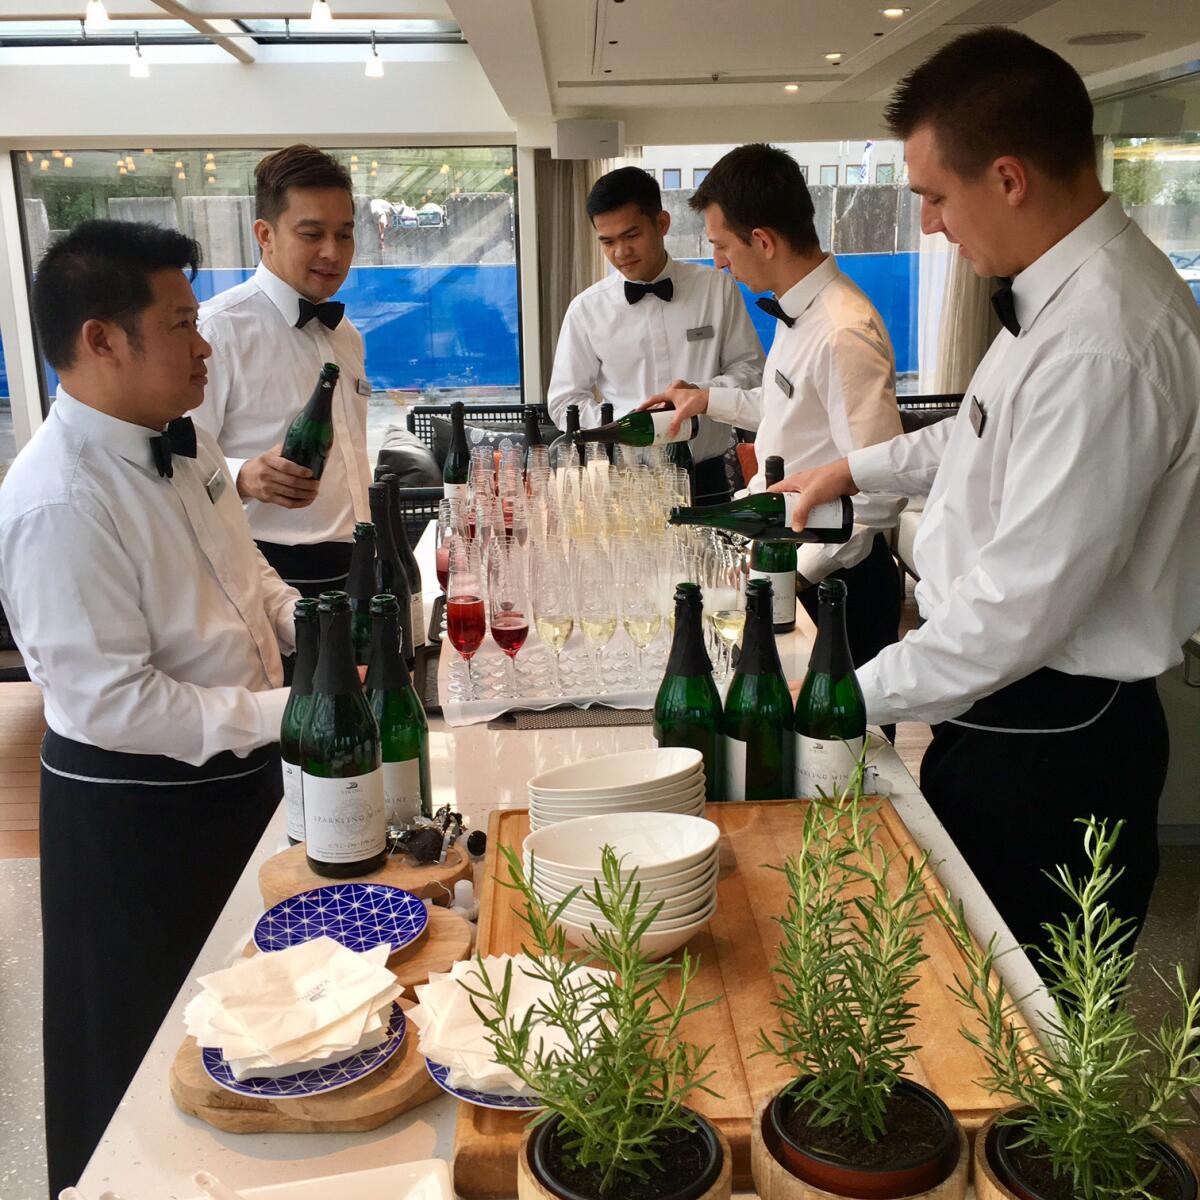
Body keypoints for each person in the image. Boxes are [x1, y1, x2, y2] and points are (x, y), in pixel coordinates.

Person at [771, 27, 1200, 962]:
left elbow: (1021, 607)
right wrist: (854, 468)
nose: (928, 224)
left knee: (1015, 1036)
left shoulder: (1104, 340)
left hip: (1060, 742)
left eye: (933, 196)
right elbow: (979, 434)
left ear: (1007, 178)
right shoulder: (1054, 294)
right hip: (998, 711)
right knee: (965, 980)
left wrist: (834, 690)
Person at [0, 221, 298, 1196]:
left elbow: (250, 579)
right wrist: (280, 715)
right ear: (101, 340)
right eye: (179, 324)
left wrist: (329, 636)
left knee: (260, 1020)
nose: (204, 342)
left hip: (241, 772)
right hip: (138, 815)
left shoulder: (190, 435)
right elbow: (113, 704)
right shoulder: (53, 501)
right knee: (143, 1059)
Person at [642, 144, 904, 676]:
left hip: (835, 585)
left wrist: (792, 572)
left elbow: (882, 489)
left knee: (835, 750)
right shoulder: (798, 311)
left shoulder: (843, 330)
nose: (717, 260)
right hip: (783, 565)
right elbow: (784, 408)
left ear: (761, 241)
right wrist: (706, 398)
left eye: (720, 245)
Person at [195, 144, 372, 598]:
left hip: (357, 562)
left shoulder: (346, 333)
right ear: (265, 234)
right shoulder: (215, 332)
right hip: (267, 572)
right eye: (311, 234)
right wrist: (243, 475)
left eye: (345, 234)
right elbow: (177, 463)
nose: (333, 252)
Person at [547, 165, 764, 503]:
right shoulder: (586, 309)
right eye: (608, 242)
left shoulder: (716, 288)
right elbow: (564, 402)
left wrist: (702, 396)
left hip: (706, 478)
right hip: (624, 483)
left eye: (631, 236)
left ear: (662, 223)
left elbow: (751, 374)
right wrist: (625, 425)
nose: (620, 253)